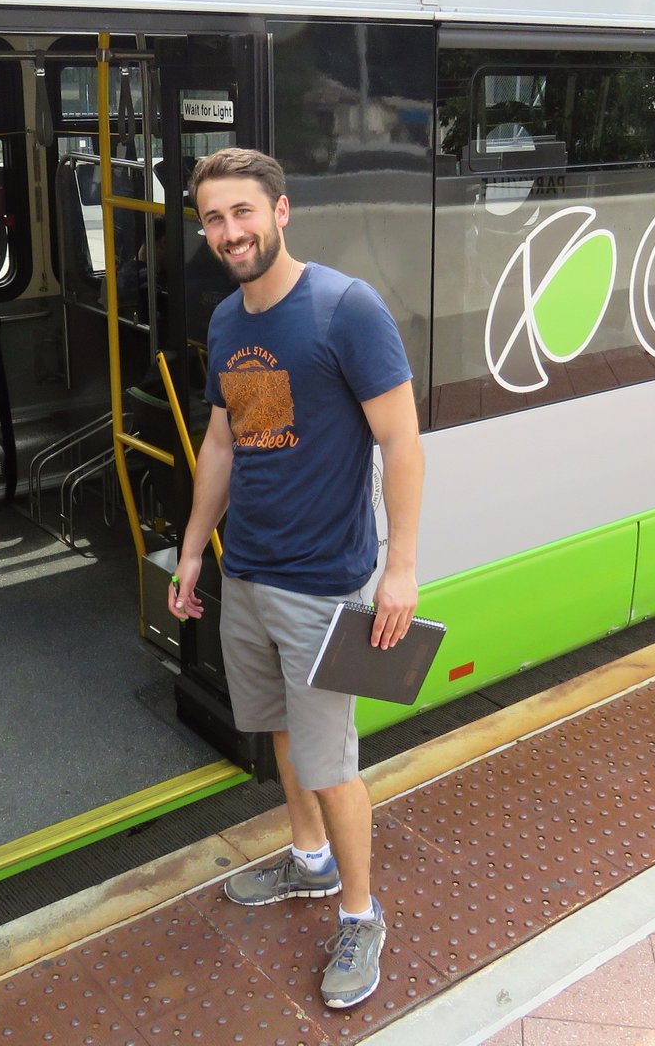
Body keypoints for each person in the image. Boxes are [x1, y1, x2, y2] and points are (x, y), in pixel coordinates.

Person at [169, 147, 424, 1010]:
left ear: (281, 212)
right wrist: (197, 549)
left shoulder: (344, 310)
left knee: (331, 760)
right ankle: (310, 862)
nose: (229, 232)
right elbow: (226, 442)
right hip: (249, 576)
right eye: (213, 219)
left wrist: (402, 571)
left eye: (242, 212)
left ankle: (361, 911)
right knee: (279, 734)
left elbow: (401, 442)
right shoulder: (229, 323)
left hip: (324, 586)